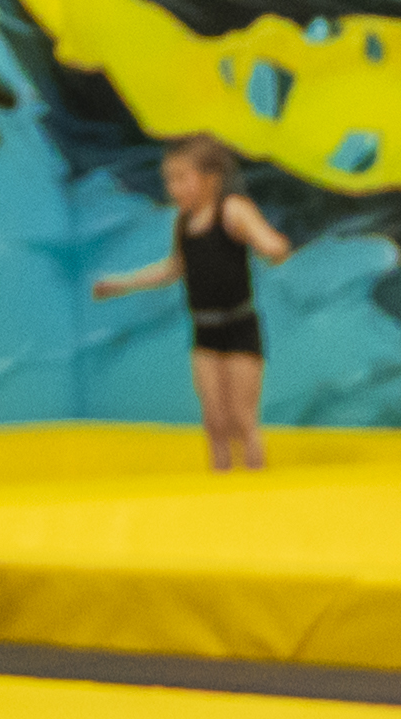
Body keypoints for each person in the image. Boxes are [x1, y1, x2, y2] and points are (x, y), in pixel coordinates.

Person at [90, 137, 303, 471]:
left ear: (210, 178)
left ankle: (255, 494)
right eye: (168, 180)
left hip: (239, 327)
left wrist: (274, 248)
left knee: (241, 419)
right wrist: (122, 283)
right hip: (204, 331)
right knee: (215, 422)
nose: (173, 188)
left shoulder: (232, 209)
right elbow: (173, 268)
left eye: (180, 178)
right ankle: (219, 491)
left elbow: (266, 240)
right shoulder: (183, 223)